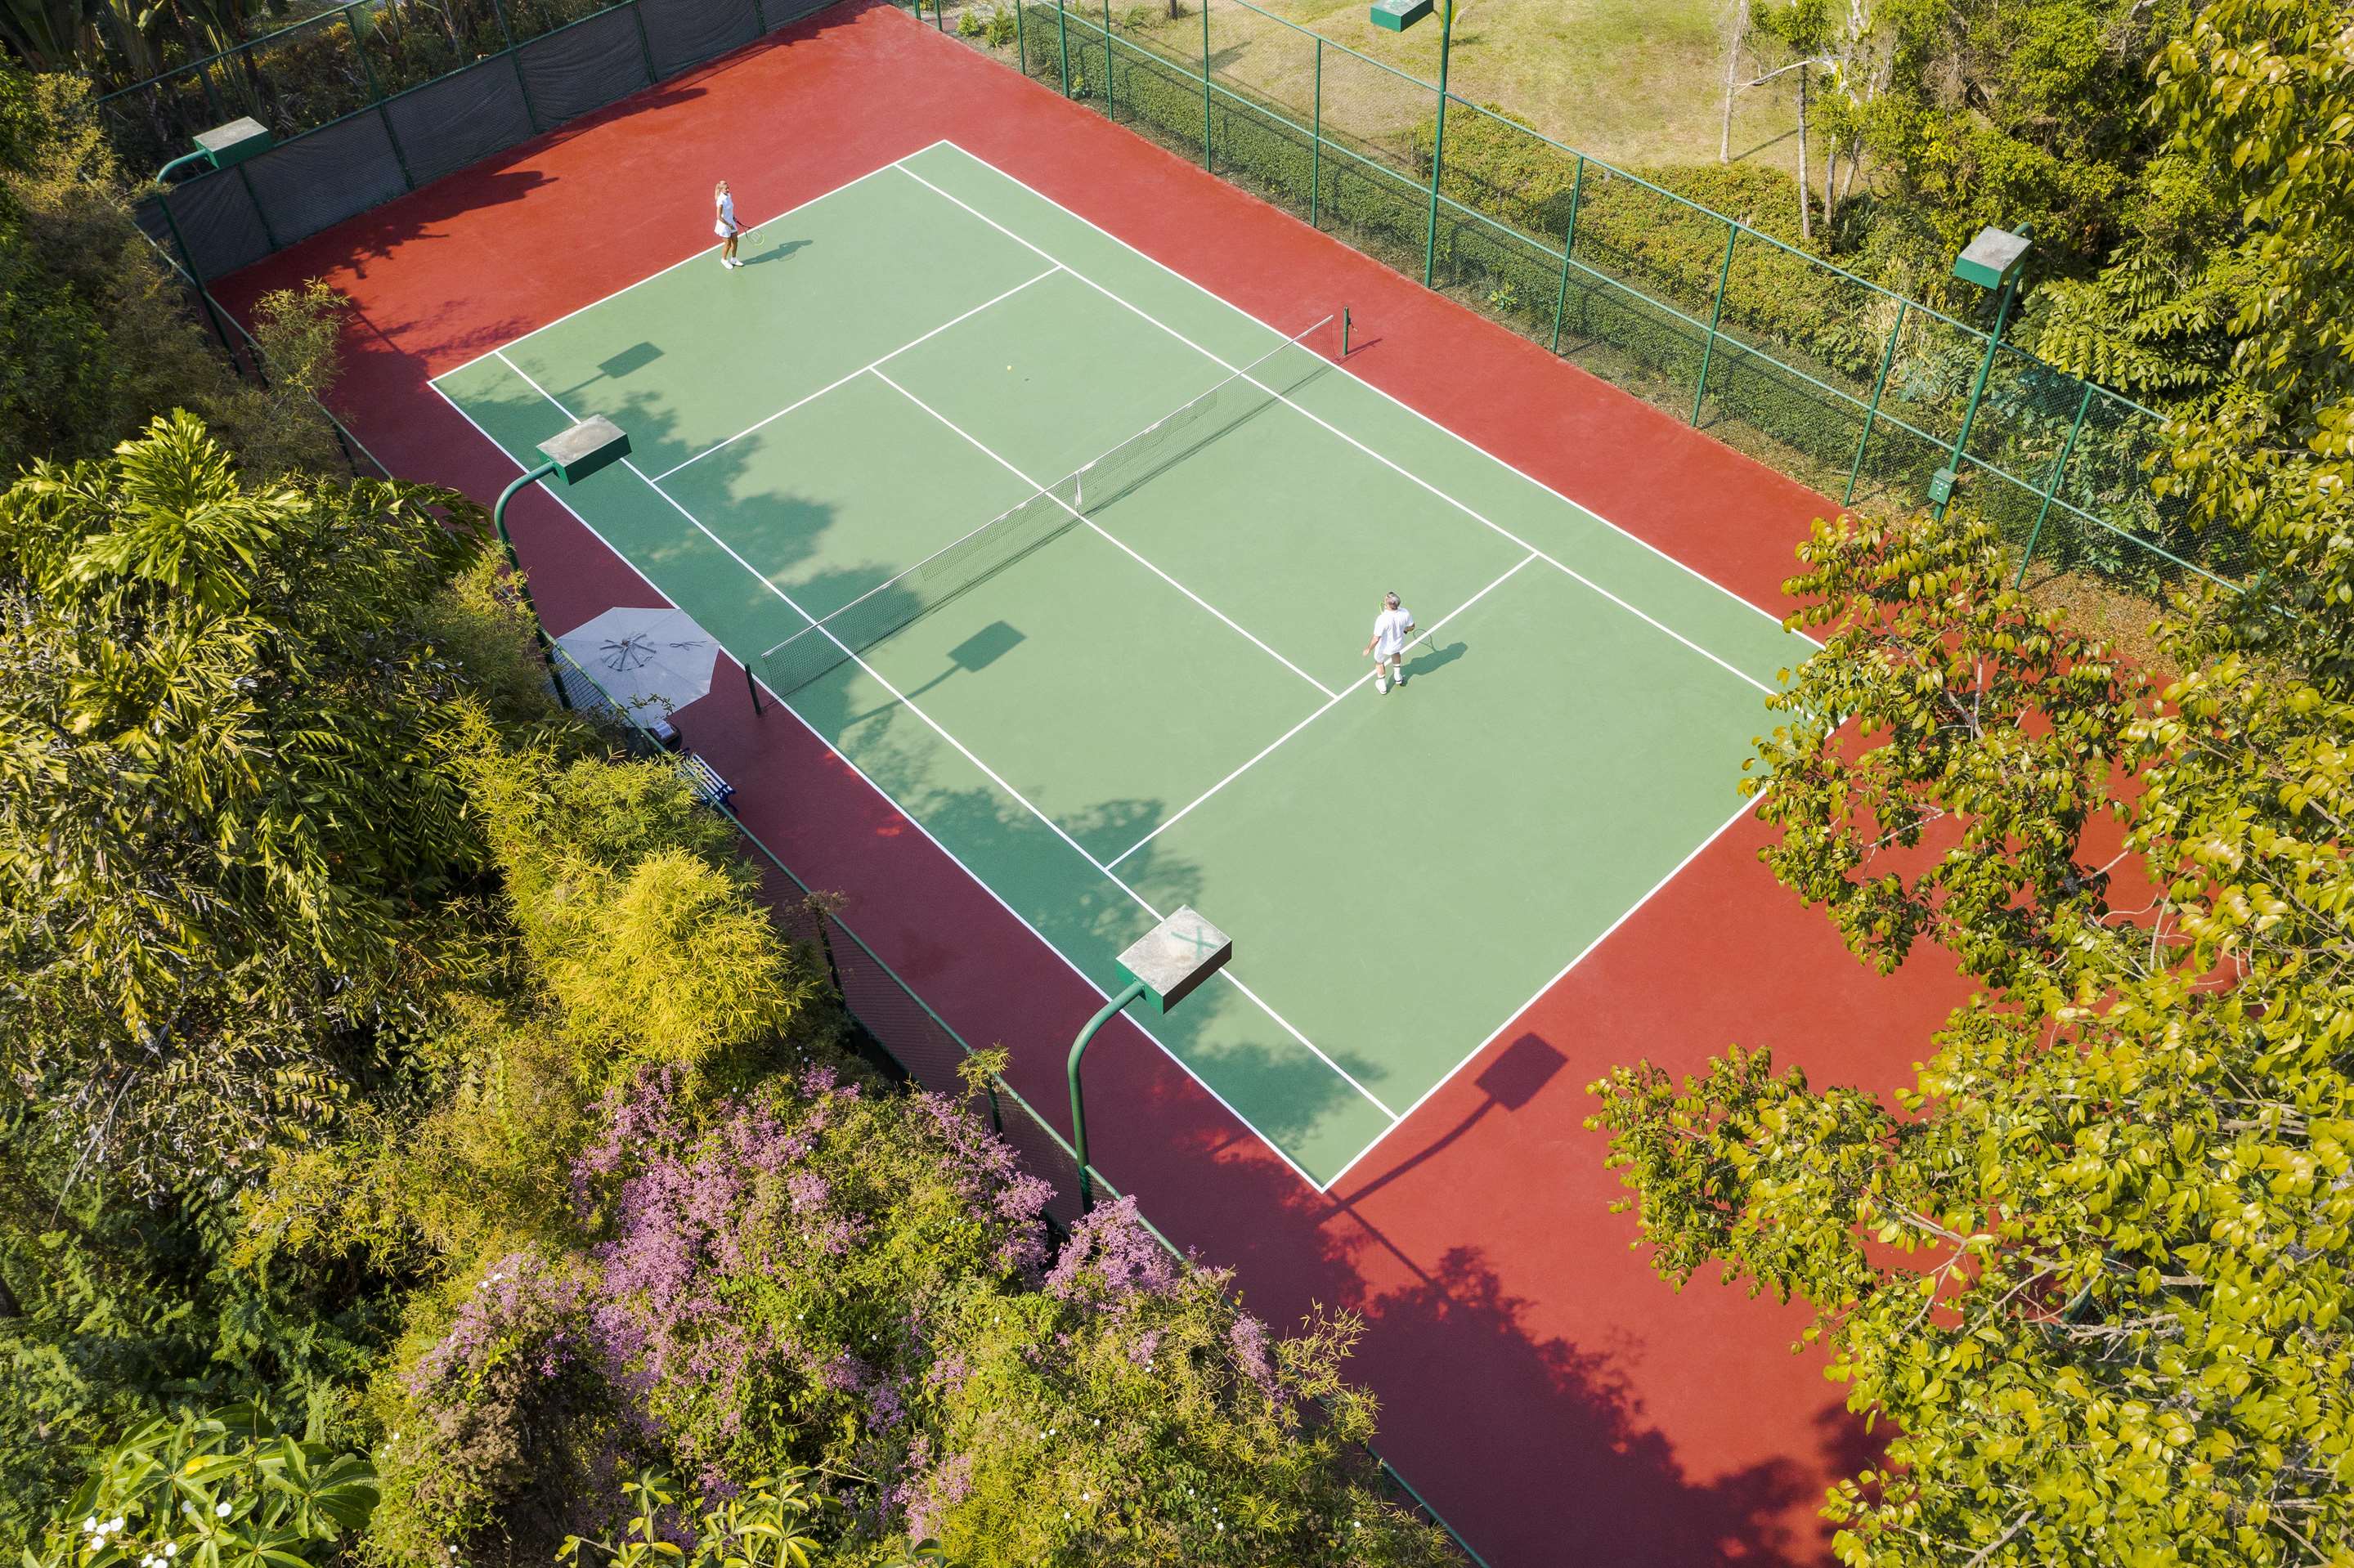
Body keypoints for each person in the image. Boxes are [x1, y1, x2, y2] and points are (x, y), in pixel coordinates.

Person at [1361, 590, 1416, 694]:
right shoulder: (1405, 612)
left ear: (1388, 605)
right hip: (1398, 644)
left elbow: (1376, 638)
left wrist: (1368, 649)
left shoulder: (1382, 619)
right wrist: (1405, 630)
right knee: (1396, 653)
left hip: (1383, 647)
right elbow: (1412, 627)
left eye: (1386, 600)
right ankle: (1397, 676)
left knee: (1379, 662)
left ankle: (1382, 686)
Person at [714, 180, 742, 269]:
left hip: (731, 222)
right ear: (721, 190)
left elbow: (729, 209)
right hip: (724, 225)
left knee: (735, 240)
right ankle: (724, 260)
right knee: (728, 244)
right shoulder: (720, 201)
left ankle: (734, 259)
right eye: (726, 189)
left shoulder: (729, 195)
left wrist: (733, 217)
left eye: (728, 188)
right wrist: (729, 224)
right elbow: (719, 217)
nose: (728, 190)